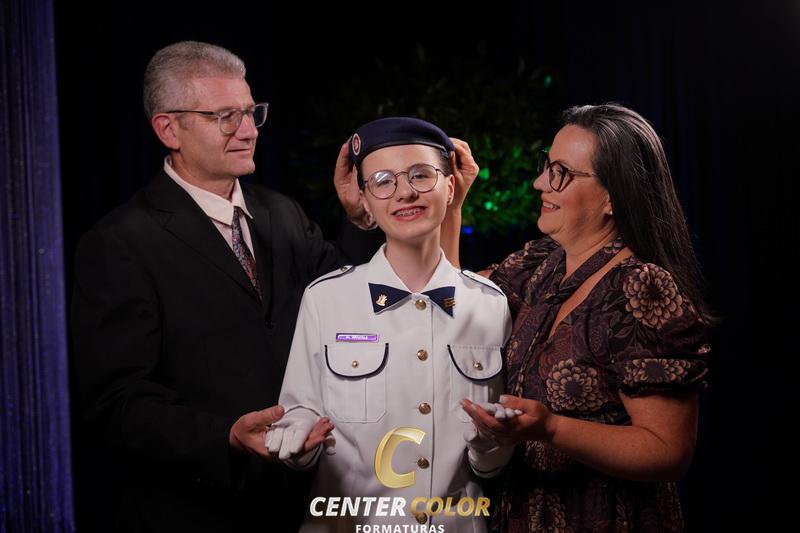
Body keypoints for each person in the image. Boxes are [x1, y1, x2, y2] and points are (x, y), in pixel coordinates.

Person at [70, 41, 377, 532]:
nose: (249, 130)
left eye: (251, 112)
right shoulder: (118, 242)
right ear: (168, 129)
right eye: (224, 116)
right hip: (193, 512)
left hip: (305, 504)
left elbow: (350, 300)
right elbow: (118, 403)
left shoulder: (281, 212)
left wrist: (359, 220)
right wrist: (227, 437)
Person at [458, 103, 712, 532]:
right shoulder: (539, 265)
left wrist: (551, 429)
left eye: (561, 173)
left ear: (613, 196)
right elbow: (448, 297)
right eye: (546, 166)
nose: (540, 183)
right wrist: (451, 200)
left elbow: (667, 450)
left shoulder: (641, 288)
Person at [267, 117, 514, 532]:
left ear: (450, 187)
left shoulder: (490, 304)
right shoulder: (325, 299)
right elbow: (299, 415)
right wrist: (298, 441)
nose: (404, 192)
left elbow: (490, 464)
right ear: (364, 201)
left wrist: (492, 445)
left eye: (421, 175)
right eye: (382, 181)